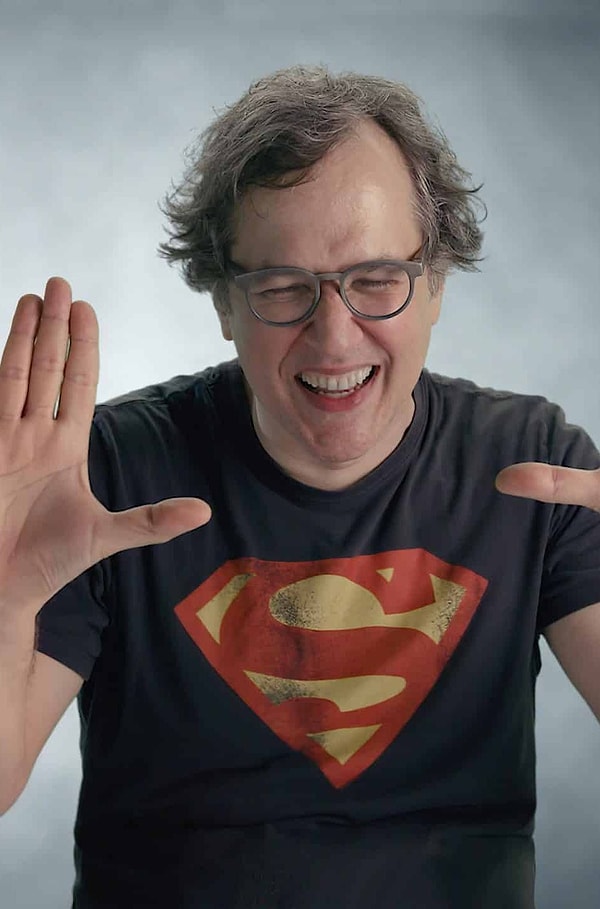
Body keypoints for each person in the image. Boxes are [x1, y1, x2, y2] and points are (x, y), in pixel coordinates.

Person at [0, 64, 598, 909]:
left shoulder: (539, 470)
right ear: (223, 303)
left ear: (436, 284)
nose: (334, 335)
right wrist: (3, 600)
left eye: (377, 279)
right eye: (283, 287)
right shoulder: (105, 481)